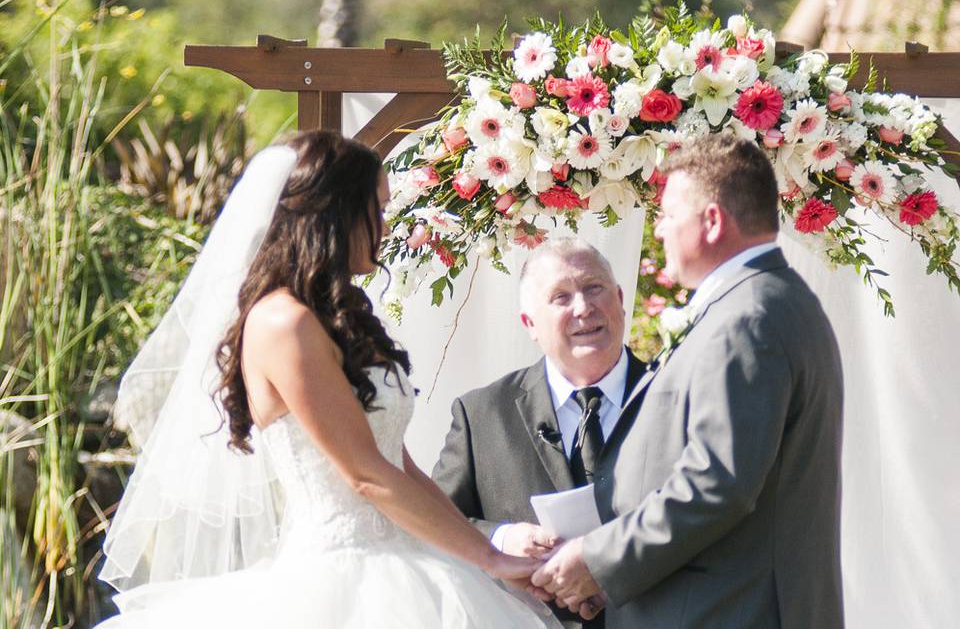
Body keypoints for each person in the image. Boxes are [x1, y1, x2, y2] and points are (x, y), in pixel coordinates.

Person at [95, 130, 561, 628]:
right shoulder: (283, 323)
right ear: (334, 211)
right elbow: (365, 475)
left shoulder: (336, 320)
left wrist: (483, 553)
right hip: (339, 579)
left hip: (408, 560)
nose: (386, 224)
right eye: (376, 209)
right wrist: (489, 560)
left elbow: (399, 467)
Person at [531, 134, 845, 628]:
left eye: (667, 215)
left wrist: (599, 560)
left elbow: (717, 483)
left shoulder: (748, 318)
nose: (658, 230)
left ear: (712, 221)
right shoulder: (766, 301)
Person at [433, 238, 646, 629]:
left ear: (619, 298)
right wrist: (499, 540)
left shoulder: (676, 394)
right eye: (560, 297)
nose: (583, 307)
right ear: (530, 324)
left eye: (593, 287)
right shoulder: (481, 414)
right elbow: (435, 521)